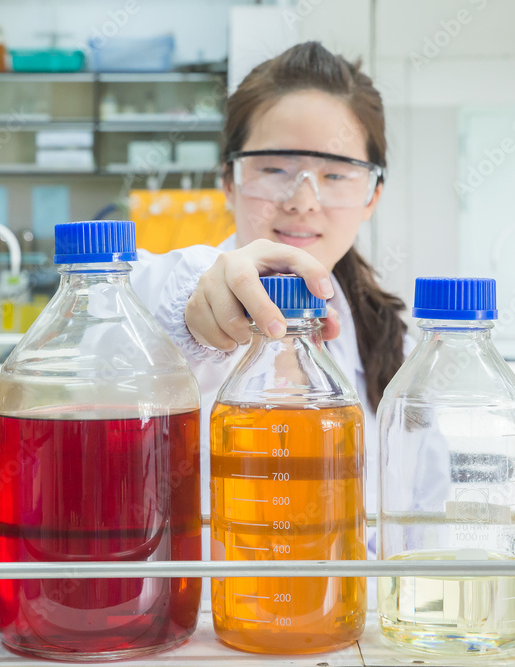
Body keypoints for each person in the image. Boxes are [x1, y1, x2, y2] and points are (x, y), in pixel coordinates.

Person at [130, 41, 416, 517]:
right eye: (275, 168)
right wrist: (200, 312)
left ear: (372, 195)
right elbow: (140, 295)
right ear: (228, 180)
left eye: (337, 174)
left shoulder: (391, 346)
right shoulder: (170, 298)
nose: (303, 200)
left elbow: (419, 524)